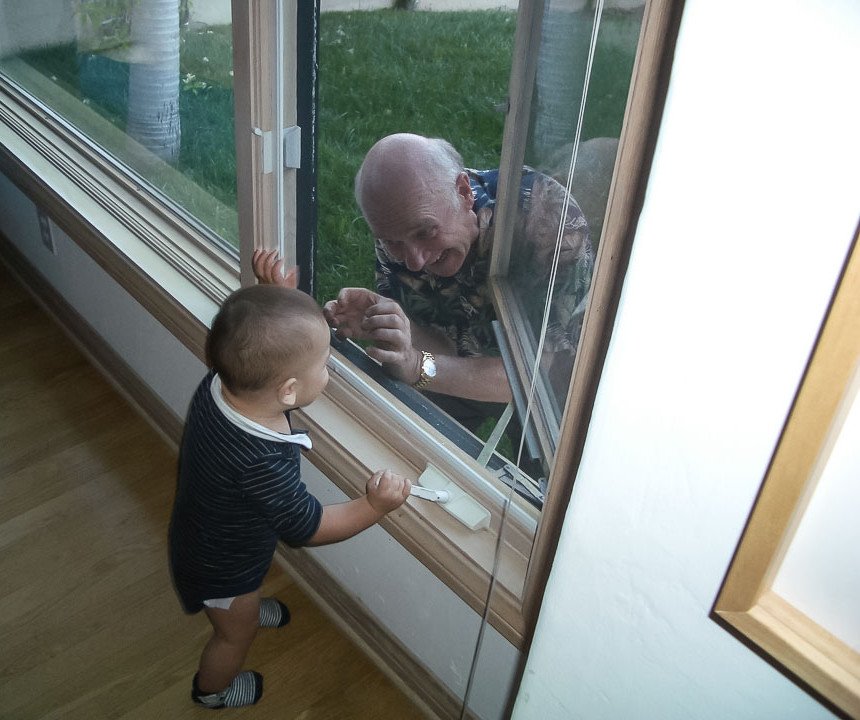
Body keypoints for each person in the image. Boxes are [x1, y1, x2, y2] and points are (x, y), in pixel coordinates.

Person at [168, 264, 412, 710]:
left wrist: (275, 299)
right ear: (288, 391)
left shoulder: (223, 383)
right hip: (221, 567)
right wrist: (375, 505)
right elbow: (309, 527)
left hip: (204, 534)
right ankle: (211, 691)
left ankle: (240, 605)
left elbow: (253, 345)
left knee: (238, 605)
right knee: (234, 635)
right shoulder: (260, 461)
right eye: (324, 365)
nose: (329, 369)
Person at [323, 133, 593, 424]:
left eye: (426, 232)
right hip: (457, 367)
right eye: (391, 242)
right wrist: (397, 328)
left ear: (464, 193)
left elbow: (541, 377)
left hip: (548, 392)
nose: (414, 261)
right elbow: (439, 350)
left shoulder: (549, 226)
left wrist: (418, 367)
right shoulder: (399, 226)